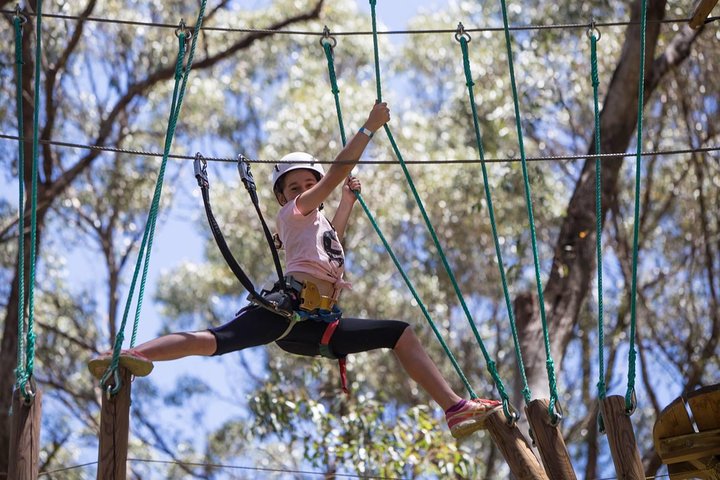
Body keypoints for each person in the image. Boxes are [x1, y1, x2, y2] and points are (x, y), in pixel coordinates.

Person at [89, 102, 500, 439]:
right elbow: (337, 171)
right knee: (213, 340)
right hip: (285, 311)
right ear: (284, 197)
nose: (302, 190)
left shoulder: (316, 223)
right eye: (293, 186)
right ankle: (129, 354)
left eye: (308, 183)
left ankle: (455, 409)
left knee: (400, 333)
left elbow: (333, 241)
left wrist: (347, 203)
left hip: (318, 323)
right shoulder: (296, 212)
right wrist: (369, 129)